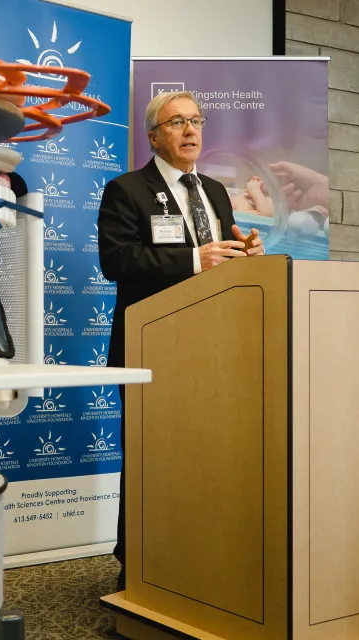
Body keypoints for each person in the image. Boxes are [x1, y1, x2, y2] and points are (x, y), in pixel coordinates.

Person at [97, 90, 266, 590]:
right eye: (177, 122)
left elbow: (219, 256)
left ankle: (194, 555)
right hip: (151, 345)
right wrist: (197, 260)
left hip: (211, 348)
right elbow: (118, 262)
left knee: (203, 454)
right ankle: (139, 564)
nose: (191, 130)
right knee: (152, 455)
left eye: (196, 120)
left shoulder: (214, 190)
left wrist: (243, 252)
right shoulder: (126, 190)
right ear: (154, 135)